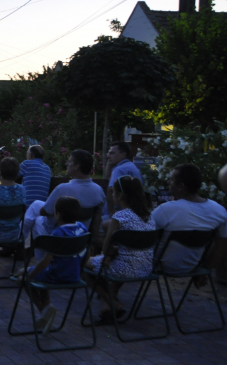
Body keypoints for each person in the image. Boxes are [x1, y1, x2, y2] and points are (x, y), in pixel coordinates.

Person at [83, 176, 156, 324]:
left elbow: (105, 248)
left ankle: (112, 302)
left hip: (124, 269)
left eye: (113, 193)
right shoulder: (149, 216)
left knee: (83, 265)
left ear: (120, 195)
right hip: (145, 268)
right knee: (111, 262)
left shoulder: (120, 217)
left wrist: (109, 252)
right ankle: (107, 305)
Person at [19, 196, 89, 335]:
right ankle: (46, 311)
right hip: (75, 276)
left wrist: (29, 276)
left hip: (55, 275)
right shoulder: (82, 228)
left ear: (57, 214)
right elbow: (87, 253)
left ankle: (43, 311)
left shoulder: (58, 233)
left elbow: (45, 261)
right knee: (36, 275)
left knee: (21, 276)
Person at [23, 150, 105, 258]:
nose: (67, 163)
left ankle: (27, 248)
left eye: (69, 161)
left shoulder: (63, 189)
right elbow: (98, 218)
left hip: (57, 233)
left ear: (77, 166)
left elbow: (45, 212)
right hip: (80, 234)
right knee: (36, 204)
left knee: (36, 218)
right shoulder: (98, 191)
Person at [151, 163, 227, 278]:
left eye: (171, 180)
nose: (168, 182)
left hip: (160, 266)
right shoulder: (219, 211)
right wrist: (206, 268)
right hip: (194, 267)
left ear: (181, 186)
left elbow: (143, 237)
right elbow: (222, 244)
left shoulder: (165, 210)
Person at [103, 141, 143, 219]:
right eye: (108, 153)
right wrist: (110, 162)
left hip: (118, 214)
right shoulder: (132, 166)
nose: (108, 156)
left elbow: (111, 189)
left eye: (112, 153)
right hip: (133, 212)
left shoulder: (119, 169)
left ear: (123, 155)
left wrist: (110, 211)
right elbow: (108, 177)